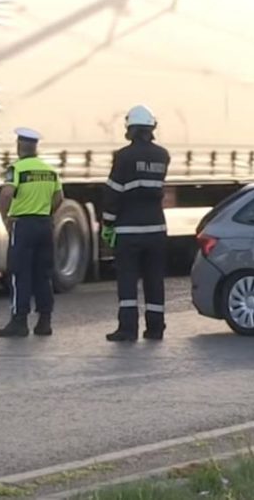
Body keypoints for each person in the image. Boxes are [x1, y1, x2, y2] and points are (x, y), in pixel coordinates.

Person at [103, 105, 170, 342]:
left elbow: (114, 192)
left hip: (129, 229)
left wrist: (107, 223)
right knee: (154, 279)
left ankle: (127, 329)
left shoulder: (124, 156)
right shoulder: (163, 155)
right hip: (156, 229)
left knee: (128, 280)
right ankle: (155, 328)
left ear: (130, 129)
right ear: (152, 127)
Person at [0, 128, 63, 338]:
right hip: (44, 225)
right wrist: (47, 213)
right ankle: (44, 321)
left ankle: (19, 321)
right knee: (43, 274)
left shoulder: (16, 168)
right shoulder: (49, 171)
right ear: (35, 147)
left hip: (23, 225)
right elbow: (59, 197)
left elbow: (6, 195)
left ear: (19, 147)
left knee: (19, 273)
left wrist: (6, 219)